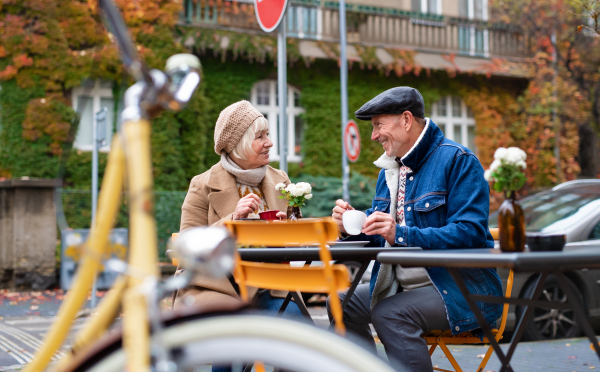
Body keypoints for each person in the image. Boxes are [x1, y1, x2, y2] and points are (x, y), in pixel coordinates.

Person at [328, 87, 503, 372]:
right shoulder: (388, 172)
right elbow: (379, 235)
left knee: (390, 313)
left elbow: (469, 233)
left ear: (406, 120)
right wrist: (351, 226)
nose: (373, 136)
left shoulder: (458, 160)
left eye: (378, 125)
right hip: (403, 287)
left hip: (461, 289)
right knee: (340, 301)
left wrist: (400, 233)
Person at [174, 101, 302, 370]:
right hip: (219, 287)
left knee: (298, 336)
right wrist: (232, 221)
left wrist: (287, 229)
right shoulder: (203, 184)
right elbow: (186, 246)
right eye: (260, 137)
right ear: (238, 144)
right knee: (229, 338)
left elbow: (297, 241)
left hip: (272, 287)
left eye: (267, 134)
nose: (269, 142)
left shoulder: (281, 180)